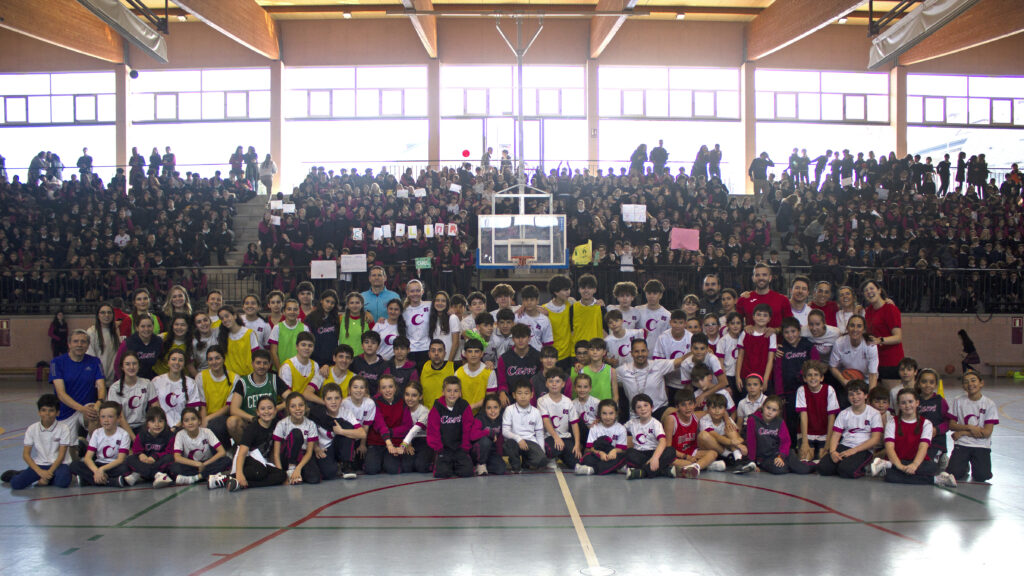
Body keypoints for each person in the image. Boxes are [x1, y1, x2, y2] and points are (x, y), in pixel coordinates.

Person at [868, 388, 958, 487]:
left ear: (917, 403)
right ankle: (936, 480)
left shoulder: (926, 424)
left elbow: (923, 448)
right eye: (903, 403)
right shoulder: (892, 422)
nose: (907, 406)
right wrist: (900, 466)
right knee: (891, 477)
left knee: (931, 467)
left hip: (918, 462)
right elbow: (889, 448)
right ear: (898, 405)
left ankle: (888, 465)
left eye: (910, 402)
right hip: (898, 459)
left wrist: (914, 465)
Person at [3, 394, 73, 490]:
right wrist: (40, 472)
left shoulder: (64, 428)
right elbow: (26, 455)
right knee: (16, 484)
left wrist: (47, 474)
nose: (47, 414)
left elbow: (61, 456)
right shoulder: (32, 429)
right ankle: (19, 474)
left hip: (59, 464)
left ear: (57, 413)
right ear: (39, 412)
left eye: (51, 410)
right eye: (43, 410)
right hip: (40, 465)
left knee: (62, 482)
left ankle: (45, 478)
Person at [816, 380, 882, 479]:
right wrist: (833, 452)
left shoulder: (874, 413)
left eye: (858, 393)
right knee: (823, 468)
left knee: (846, 471)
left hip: (863, 449)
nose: (855, 397)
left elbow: (875, 439)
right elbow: (836, 435)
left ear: (866, 395)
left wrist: (853, 451)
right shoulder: (844, 413)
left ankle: (864, 468)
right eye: (851, 394)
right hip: (845, 445)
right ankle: (841, 465)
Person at [51, 329, 106, 441]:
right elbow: (61, 394)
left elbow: (101, 386)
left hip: (87, 407)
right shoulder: (56, 362)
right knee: (69, 455)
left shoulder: (95, 361)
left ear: (88, 345)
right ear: (69, 344)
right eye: (76, 341)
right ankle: (80, 445)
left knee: (93, 415)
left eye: (83, 342)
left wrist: (99, 402)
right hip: (66, 411)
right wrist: (81, 409)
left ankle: (93, 450)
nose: (79, 345)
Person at [946, 371, 997, 483]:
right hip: (962, 444)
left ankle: (971, 464)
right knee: (954, 474)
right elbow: (951, 425)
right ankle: (963, 465)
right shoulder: (958, 401)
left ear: (981, 383)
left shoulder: (989, 404)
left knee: (982, 476)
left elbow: (987, 432)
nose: (970, 384)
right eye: (966, 382)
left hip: (981, 445)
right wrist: (970, 427)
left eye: (973, 380)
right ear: (963, 386)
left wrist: (963, 432)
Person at [228, 397, 287, 491]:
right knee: (261, 472)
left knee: (281, 475)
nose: (267, 411)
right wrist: (239, 473)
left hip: (263, 462)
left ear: (275, 410)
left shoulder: (277, 425)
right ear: (258, 412)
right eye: (263, 409)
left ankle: (242, 484)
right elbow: (242, 454)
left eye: (270, 408)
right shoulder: (252, 429)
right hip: (249, 460)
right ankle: (231, 477)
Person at [618, 339, 686, 420]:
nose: (640, 354)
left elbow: (681, 360)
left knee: (678, 415)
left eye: (643, 351)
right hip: (637, 413)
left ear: (647, 351)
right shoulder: (623, 370)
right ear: (631, 353)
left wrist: (695, 352)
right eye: (636, 351)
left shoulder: (657, 364)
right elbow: (606, 375)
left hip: (659, 409)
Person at [69, 401, 133, 487]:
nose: (106, 420)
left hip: (114, 466)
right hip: (98, 464)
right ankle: (110, 482)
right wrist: (96, 471)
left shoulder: (123, 434)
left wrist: (102, 470)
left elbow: (120, 459)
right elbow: (88, 458)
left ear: (118, 418)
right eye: (103, 417)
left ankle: (89, 480)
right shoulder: (97, 433)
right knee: (74, 465)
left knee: (126, 468)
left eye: (110, 417)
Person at [426, 376, 476, 479]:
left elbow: (468, 428)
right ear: (443, 392)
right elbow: (433, 431)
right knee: (442, 473)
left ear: (460, 392)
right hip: (444, 449)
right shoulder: (437, 408)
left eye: (455, 391)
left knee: (467, 472)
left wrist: (465, 448)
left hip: (460, 448)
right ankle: (445, 464)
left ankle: (456, 464)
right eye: (449, 391)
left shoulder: (464, 406)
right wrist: (439, 449)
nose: (452, 394)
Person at [663, 389, 718, 479]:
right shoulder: (671, 419)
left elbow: (716, 412)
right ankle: (704, 465)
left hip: (692, 453)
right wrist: (685, 457)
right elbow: (668, 448)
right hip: (677, 455)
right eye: (683, 405)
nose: (688, 408)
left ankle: (696, 467)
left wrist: (727, 420)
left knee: (713, 453)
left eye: (690, 404)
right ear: (677, 407)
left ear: (694, 404)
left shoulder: (696, 416)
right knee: (675, 462)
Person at [270, 394, 320, 485]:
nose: (298, 408)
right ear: (288, 409)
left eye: (301, 405)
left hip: (302, 455)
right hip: (286, 457)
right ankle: (290, 469)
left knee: (314, 479)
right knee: (296, 433)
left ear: (305, 406)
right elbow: (276, 454)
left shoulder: (311, 424)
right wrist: (281, 475)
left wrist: (298, 468)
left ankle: (296, 473)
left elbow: (309, 452)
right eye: (293, 406)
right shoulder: (282, 424)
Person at [624, 394, 677, 479]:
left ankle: (642, 472)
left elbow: (663, 441)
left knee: (671, 451)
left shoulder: (656, 423)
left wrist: (655, 458)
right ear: (634, 411)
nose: (643, 409)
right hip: (640, 454)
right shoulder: (632, 423)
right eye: (639, 407)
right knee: (629, 452)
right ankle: (663, 471)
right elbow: (619, 429)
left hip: (655, 452)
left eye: (646, 405)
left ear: (652, 407)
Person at [795, 360, 839, 462]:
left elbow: (832, 417)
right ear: (805, 379)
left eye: (816, 375)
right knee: (805, 459)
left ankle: (817, 456)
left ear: (822, 377)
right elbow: (803, 416)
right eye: (809, 375)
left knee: (823, 459)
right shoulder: (801, 390)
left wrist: (828, 443)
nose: (813, 378)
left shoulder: (829, 390)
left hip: (824, 434)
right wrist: (805, 442)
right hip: (807, 433)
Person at [861, 280, 903, 386]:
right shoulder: (868, 311)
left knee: (891, 395)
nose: (869, 292)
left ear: (879, 290)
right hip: (875, 360)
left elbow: (898, 337)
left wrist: (880, 340)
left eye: (871, 288)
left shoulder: (890, 309)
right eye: (866, 290)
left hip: (891, 361)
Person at [538, 368, 582, 469]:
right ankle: (551, 458)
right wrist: (556, 437)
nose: (554, 384)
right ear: (546, 384)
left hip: (565, 437)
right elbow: (546, 421)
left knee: (576, 462)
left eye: (557, 381)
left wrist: (577, 444)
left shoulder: (568, 402)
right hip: (549, 437)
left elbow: (574, 424)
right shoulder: (542, 401)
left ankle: (562, 455)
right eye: (551, 381)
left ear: (563, 384)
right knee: (553, 449)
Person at [151, 349, 205, 430]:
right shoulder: (156, 381)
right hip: (160, 427)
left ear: (184, 364)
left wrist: (176, 427)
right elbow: (155, 409)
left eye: (180, 360)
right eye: (173, 359)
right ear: (168, 362)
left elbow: (192, 411)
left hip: (184, 427)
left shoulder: (191, 383)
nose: (177, 362)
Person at [502, 380, 548, 473]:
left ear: (531, 395)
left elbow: (539, 434)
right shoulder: (509, 409)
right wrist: (519, 439)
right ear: (514, 395)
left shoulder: (536, 412)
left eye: (526, 393)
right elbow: (505, 431)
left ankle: (526, 461)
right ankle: (516, 465)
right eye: (519, 393)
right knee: (509, 444)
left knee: (542, 460)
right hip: (514, 441)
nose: (523, 396)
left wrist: (541, 451)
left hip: (530, 442)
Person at [106, 352, 156, 438]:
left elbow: (156, 408)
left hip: (143, 426)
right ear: (122, 367)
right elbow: (120, 418)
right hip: (122, 428)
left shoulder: (147, 384)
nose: (131, 367)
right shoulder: (114, 388)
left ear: (139, 365)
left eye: (134, 364)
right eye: (127, 364)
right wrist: (134, 439)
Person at [575, 399, 628, 476]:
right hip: (598, 456)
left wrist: (613, 451)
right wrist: (600, 453)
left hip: (613, 456)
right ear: (599, 414)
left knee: (624, 457)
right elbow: (590, 448)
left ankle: (591, 470)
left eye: (611, 413)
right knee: (587, 458)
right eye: (604, 413)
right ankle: (615, 467)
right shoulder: (595, 428)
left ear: (616, 414)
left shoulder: (621, 428)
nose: (607, 417)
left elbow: (621, 449)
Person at [123, 406, 174, 487]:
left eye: (160, 421)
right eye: (153, 421)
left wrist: (155, 456)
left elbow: (169, 451)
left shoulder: (169, 435)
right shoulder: (142, 435)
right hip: (145, 462)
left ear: (165, 422)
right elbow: (136, 449)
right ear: (147, 423)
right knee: (130, 458)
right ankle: (157, 475)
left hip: (159, 464)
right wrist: (140, 454)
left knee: (170, 458)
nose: (157, 425)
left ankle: (138, 474)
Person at [828, 315, 879, 391]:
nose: (855, 329)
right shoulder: (840, 343)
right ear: (847, 328)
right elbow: (832, 367)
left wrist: (870, 395)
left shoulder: (870, 345)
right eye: (852, 325)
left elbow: (873, 374)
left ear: (864, 330)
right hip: (847, 379)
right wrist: (844, 381)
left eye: (859, 326)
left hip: (866, 381)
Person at [399, 383, 434, 474]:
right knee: (406, 468)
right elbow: (403, 428)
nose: (410, 398)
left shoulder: (424, 412)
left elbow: (414, 430)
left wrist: (404, 445)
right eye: (407, 394)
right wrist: (408, 444)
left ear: (420, 397)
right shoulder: (403, 409)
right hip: (411, 440)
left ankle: (433, 461)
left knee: (421, 467)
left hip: (425, 440)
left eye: (414, 395)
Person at [217, 306, 259, 377]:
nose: (225, 319)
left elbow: (256, 356)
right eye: (222, 318)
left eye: (227, 316)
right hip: (230, 378)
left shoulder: (249, 333)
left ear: (234, 316)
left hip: (248, 376)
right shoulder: (223, 336)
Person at [472, 394, 506, 476]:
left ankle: (481, 466)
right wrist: (488, 433)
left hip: (490, 452)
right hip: (477, 451)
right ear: (484, 409)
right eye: (489, 408)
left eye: (495, 407)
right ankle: (480, 464)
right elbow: (472, 435)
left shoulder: (501, 419)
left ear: (500, 408)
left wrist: (499, 457)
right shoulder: (480, 418)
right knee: (485, 441)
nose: (492, 411)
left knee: (501, 469)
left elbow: (500, 440)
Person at [268, 299, 308, 370]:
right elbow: (273, 351)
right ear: (284, 312)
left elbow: (306, 350)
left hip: (298, 370)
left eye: (295, 309)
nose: (292, 312)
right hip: (279, 369)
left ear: (299, 311)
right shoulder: (277, 327)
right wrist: (280, 370)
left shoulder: (304, 328)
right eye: (289, 309)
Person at [87, 304, 121, 382]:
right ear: (98, 315)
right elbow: (91, 357)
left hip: (114, 379)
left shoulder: (116, 331)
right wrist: (99, 376)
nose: (106, 315)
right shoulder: (91, 332)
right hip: (98, 378)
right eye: (103, 312)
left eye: (109, 312)